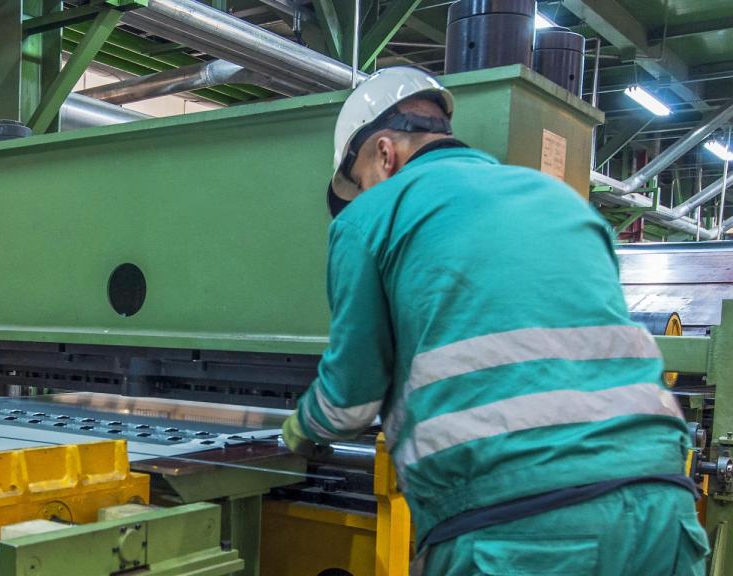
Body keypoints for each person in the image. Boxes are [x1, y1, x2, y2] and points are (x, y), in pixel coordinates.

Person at [280, 67, 709, 575]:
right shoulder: (562, 203)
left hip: (518, 531)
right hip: (663, 513)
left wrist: (297, 430)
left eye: (361, 182)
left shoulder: (368, 219)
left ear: (384, 153)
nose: (364, 194)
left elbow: (351, 400)